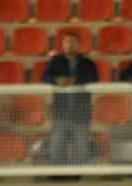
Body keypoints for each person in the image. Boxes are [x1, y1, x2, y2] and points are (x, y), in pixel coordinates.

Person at [42, 32, 99, 165]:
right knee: (57, 146)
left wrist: (75, 80)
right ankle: (57, 175)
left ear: (78, 44)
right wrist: (57, 80)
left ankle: (78, 175)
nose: (69, 45)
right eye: (66, 42)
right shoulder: (55, 61)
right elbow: (45, 77)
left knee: (81, 147)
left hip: (81, 112)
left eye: (72, 42)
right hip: (60, 111)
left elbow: (93, 78)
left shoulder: (88, 62)